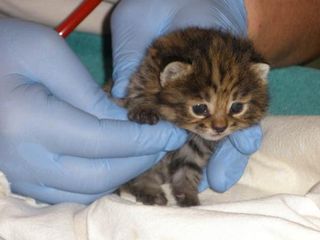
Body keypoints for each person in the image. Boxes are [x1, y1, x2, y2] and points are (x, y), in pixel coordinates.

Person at [0, 0, 318, 205]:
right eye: (202, 109)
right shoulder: (164, 84)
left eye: (234, 110)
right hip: (54, 56)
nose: (220, 125)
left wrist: (244, 8)